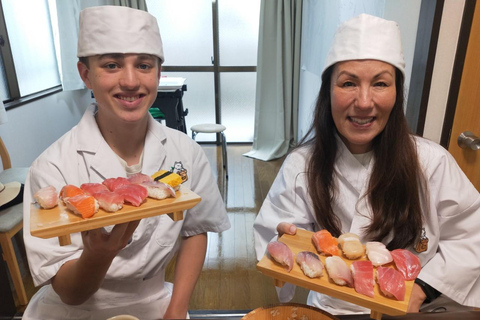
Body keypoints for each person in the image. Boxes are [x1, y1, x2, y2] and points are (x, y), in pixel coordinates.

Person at [253, 13, 480, 315]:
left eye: (380, 84)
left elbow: (471, 235)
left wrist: (423, 289)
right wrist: (285, 240)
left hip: (408, 307)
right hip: (331, 307)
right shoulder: (301, 165)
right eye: (348, 83)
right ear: (327, 91)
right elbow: (277, 238)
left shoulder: (431, 163)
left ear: (397, 93)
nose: (363, 102)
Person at [22, 6, 230, 320]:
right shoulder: (51, 168)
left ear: (159, 73)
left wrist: (177, 309)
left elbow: (195, 230)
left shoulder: (185, 151)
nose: (130, 81)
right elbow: (70, 293)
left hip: (156, 302)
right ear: (86, 74)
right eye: (111, 65)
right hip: (73, 309)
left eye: (144, 65)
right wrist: (97, 256)